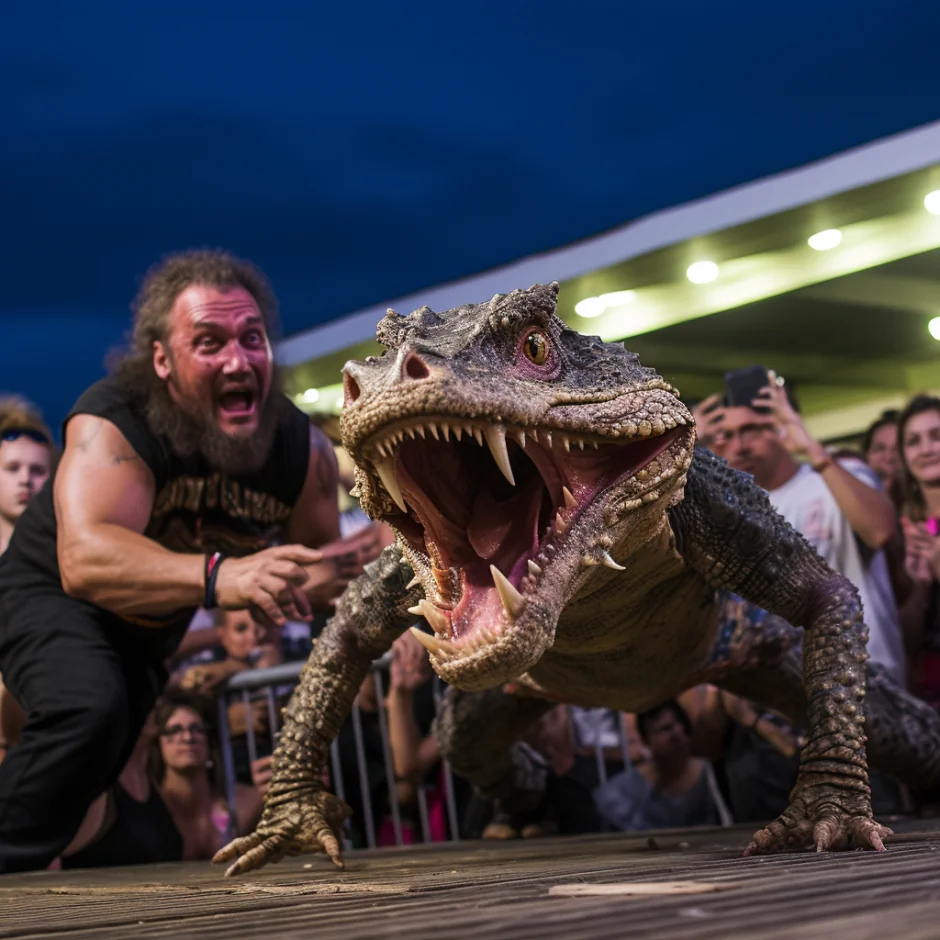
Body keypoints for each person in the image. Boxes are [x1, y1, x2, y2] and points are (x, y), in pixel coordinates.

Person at [0, 249, 366, 873]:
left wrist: (384, 578)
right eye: (209, 342)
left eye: (252, 339)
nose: (237, 360)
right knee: (89, 706)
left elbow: (324, 572)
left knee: (93, 776)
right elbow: (85, 560)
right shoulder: (115, 419)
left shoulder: (298, 451)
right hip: (48, 594)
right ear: (162, 361)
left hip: (148, 626)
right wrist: (226, 576)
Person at [695, 372, 904, 684]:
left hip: (866, 672)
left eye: (751, 430)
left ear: (781, 427)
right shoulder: (730, 511)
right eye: (725, 435)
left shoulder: (835, 475)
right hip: (787, 687)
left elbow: (880, 532)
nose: (738, 445)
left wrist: (812, 448)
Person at [0, 397, 56, 765]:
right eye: (13, 468)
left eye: (38, 470)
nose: (26, 479)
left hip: (45, 726)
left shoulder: (68, 555)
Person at [593, 700, 720, 832]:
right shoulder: (626, 788)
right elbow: (603, 798)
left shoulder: (710, 772)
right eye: (665, 728)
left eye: (679, 723)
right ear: (647, 740)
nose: (677, 732)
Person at [896, 395, 940, 709]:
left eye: (937, 436)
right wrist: (918, 590)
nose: (926, 449)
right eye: (913, 441)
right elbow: (908, 642)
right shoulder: (905, 527)